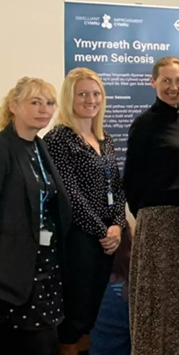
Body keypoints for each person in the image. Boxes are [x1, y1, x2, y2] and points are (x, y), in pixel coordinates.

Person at [43, 68, 127, 355]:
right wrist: (102, 231)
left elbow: (116, 185)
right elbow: (69, 195)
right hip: (77, 238)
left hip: (106, 240)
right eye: (83, 94)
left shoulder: (106, 140)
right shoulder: (59, 139)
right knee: (74, 314)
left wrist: (117, 226)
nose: (90, 99)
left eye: (95, 93)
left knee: (90, 314)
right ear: (70, 98)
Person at [122, 56, 179, 355]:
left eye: (178, 80)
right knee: (156, 303)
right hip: (157, 223)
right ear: (153, 82)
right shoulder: (143, 124)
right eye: (166, 80)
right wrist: (149, 214)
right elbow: (131, 179)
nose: (173, 87)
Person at [0, 77, 71, 355]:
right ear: (14, 106)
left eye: (49, 103)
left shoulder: (39, 147)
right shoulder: (5, 147)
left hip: (45, 266)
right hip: (12, 272)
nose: (44, 109)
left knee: (46, 341)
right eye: (35, 102)